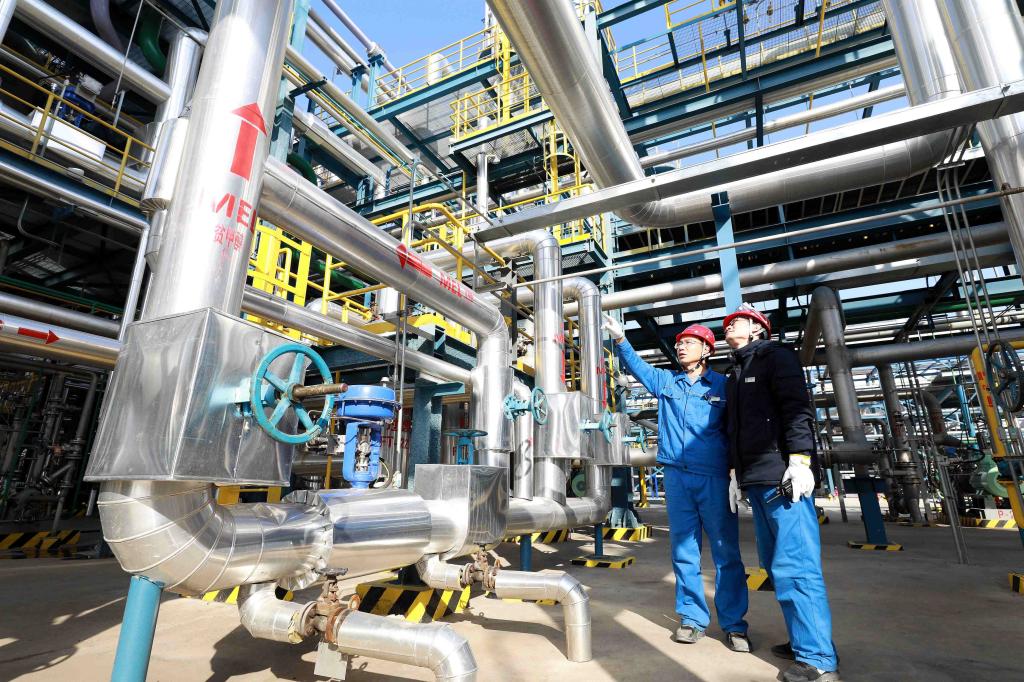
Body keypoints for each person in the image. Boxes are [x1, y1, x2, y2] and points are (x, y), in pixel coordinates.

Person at [603, 313, 750, 652]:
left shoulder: (723, 385)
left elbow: (736, 429)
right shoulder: (667, 382)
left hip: (713, 476)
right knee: (684, 551)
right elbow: (639, 368)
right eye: (679, 343)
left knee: (727, 553)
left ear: (706, 350)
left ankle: (734, 625)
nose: (681, 347)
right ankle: (692, 619)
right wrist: (621, 340)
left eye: (689, 343)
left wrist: (735, 473)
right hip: (676, 476)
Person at [723, 303, 839, 682]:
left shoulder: (776, 357)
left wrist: (801, 459)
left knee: (797, 567)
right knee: (777, 567)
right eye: (727, 323)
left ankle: (818, 658)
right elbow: (736, 430)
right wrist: (735, 474)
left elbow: (796, 409)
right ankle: (803, 639)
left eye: (737, 321)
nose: (728, 326)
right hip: (756, 481)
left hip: (782, 479)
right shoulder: (735, 372)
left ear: (758, 328)